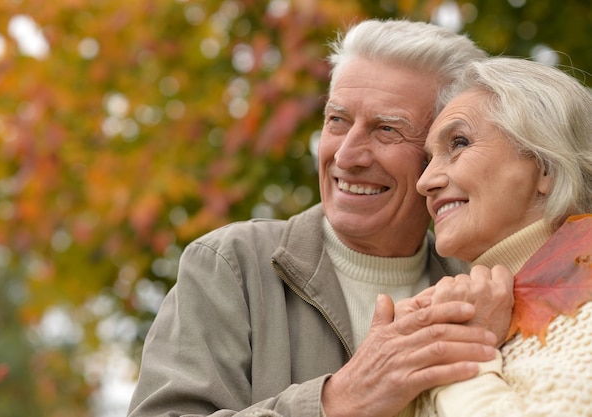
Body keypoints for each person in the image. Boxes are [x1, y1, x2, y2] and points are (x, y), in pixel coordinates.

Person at [127, 19, 508, 417]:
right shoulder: (230, 266)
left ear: (444, 152)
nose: (345, 156)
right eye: (337, 121)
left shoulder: (484, 286)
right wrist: (336, 401)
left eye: (386, 129)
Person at [408, 56, 592, 416]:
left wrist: (465, 354)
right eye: (428, 160)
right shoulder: (450, 312)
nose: (424, 182)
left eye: (458, 143)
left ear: (545, 166)